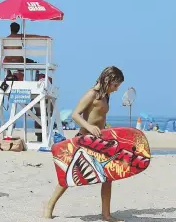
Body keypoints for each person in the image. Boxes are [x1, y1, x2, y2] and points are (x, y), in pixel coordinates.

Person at [43, 66, 125, 222]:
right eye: (115, 85)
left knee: (108, 176)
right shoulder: (91, 94)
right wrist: (89, 127)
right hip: (84, 140)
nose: (116, 89)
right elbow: (75, 114)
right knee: (68, 176)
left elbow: (99, 117)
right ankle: (49, 207)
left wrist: (106, 129)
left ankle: (106, 214)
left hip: (99, 141)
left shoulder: (106, 96)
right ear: (107, 80)